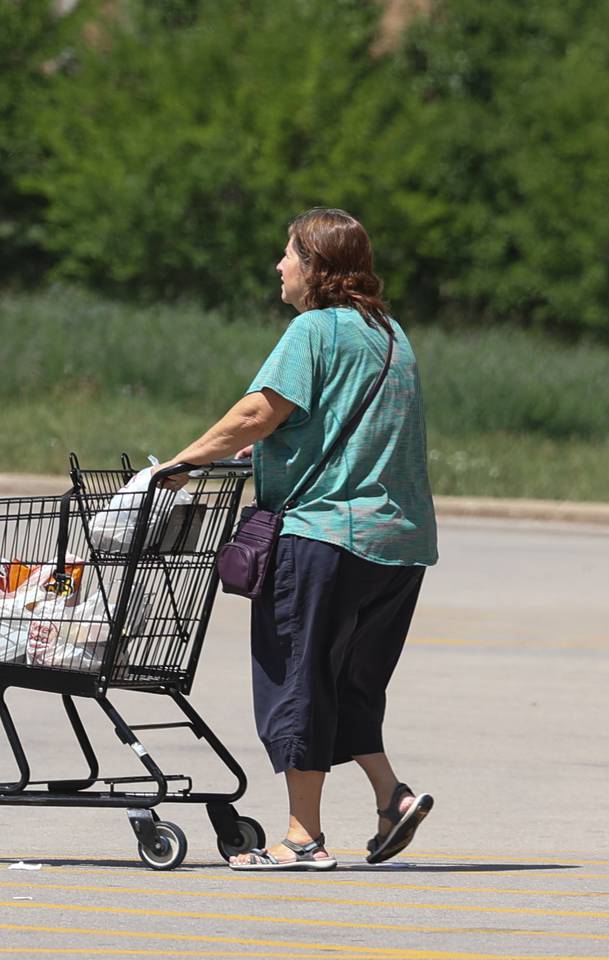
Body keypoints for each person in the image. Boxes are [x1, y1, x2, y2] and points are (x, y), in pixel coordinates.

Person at [164, 207, 438, 871]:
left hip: (325, 537)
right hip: (398, 547)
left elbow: (261, 411)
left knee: (296, 678)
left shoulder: (313, 330)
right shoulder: (392, 335)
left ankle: (302, 837)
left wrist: (180, 464)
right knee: (349, 684)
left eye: (288, 255)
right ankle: (389, 796)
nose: (279, 267)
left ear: (317, 268)